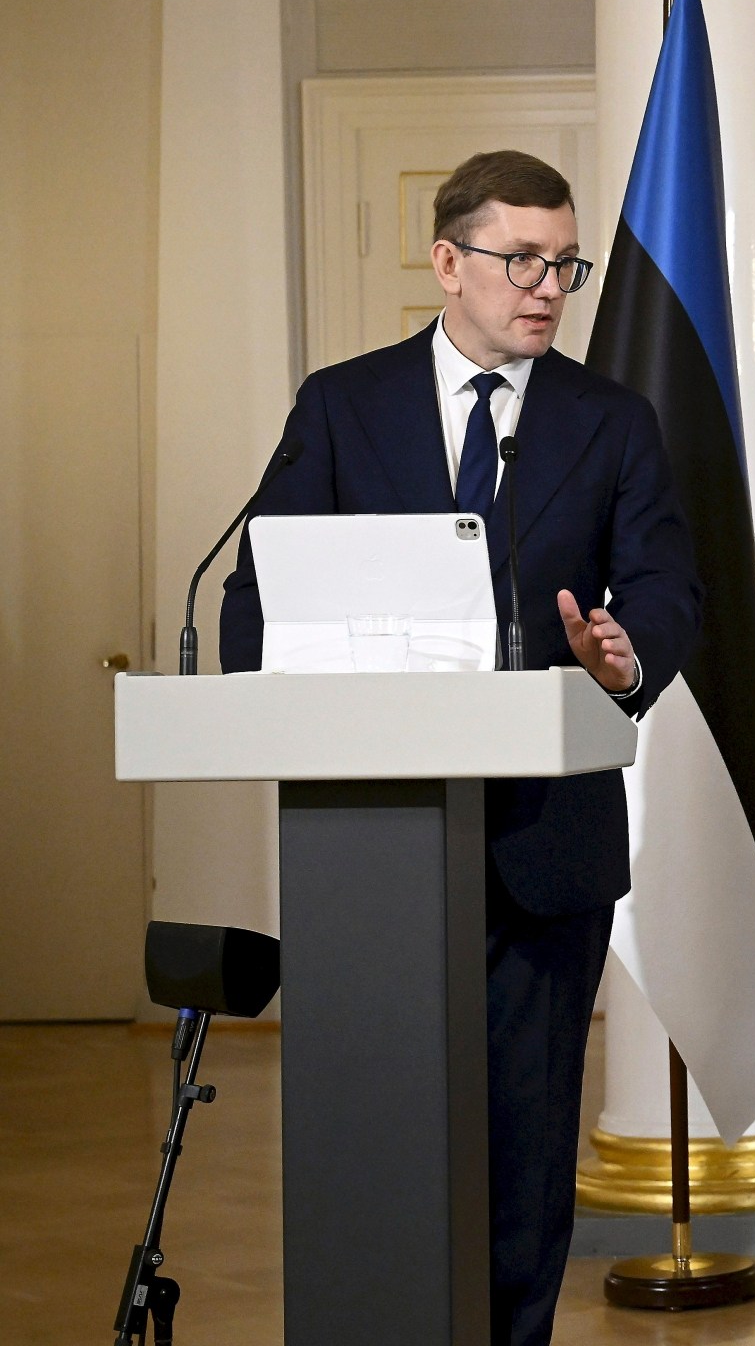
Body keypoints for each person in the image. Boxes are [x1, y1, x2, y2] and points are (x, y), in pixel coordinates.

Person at [220, 150, 701, 1346]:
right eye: (520, 259)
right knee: (377, 1127)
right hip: (373, 850)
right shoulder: (343, 404)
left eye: (563, 264)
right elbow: (256, 602)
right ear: (448, 262)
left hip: (545, 852)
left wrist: (619, 658)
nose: (546, 286)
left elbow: (667, 594)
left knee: (527, 1149)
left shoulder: (611, 418)